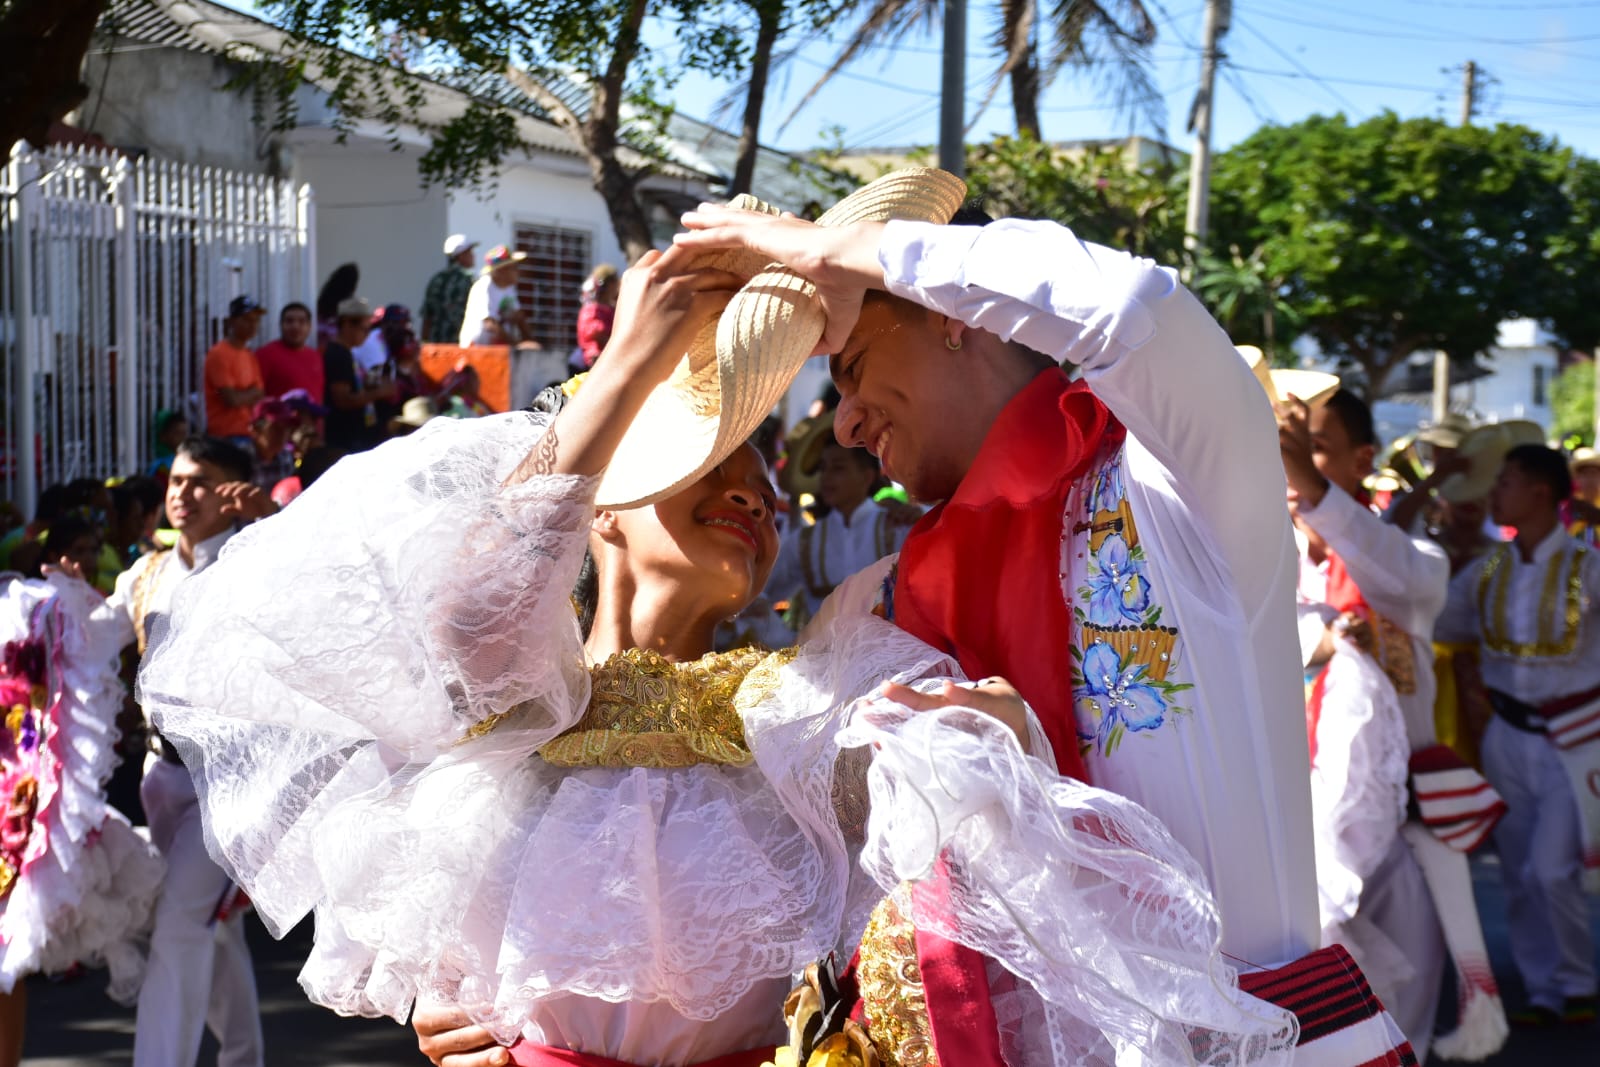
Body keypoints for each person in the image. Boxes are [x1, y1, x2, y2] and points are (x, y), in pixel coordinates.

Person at [140, 238, 1294, 1067]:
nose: (756, 490)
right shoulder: (515, 698)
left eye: (766, 470)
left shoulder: (808, 690)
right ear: (601, 501)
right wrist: (632, 362)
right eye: (712, 462)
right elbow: (475, 616)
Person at [675, 187, 1414, 1064]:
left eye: (853, 363)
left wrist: (832, 250)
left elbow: (1135, 307)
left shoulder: (1176, 494)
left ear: (954, 316)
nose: (843, 420)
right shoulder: (883, 599)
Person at [1280, 388, 1505, 1059]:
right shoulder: (1258, 563)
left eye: (1312, 446)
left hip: (1405, 834)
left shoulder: (1412, 560)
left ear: (1361, 458)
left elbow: (1401, 577)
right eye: (1282, 449)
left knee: (1396, 1023)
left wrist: (1312, 486)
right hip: (1295, 838)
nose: (1287, 464)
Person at [83, 437, 275, 1067]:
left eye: (201, 481)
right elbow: (91, 640)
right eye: (177, 479)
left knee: (178, 925)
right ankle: (243, 1055)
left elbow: (324, 590)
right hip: (160, 775)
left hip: (232, 780)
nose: (182, 493)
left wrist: (272, 523)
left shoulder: (261, 557)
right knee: (209, 929)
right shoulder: (146, 573)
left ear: (233, 491)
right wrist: (47, 604)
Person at [1436, 443, 1600, 1028]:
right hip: (1506, 734)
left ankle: (1577, 978)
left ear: (1539, 493)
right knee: (1516, 867)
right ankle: (1541, 988)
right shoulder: (1486, 568)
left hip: (1575, 738)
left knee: (1551, 869)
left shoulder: (1591, 565)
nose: (1494, 490)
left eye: (1506, 480)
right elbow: (1437, 622)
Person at [0, 564, 165, 1067]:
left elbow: (93, 639)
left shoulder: (22, 609)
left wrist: (74, 599)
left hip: (11, 800)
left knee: (4, 964)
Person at [764, 439, 911, 634]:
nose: (826, 477)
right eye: (823, 468)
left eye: (838, 468)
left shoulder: (897, 526)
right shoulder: (805, 540)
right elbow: (762, 593)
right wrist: (784, 638)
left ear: (867, 476)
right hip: (824, 657)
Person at [323, 298, 398, 453]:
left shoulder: (347, 352)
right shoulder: (338, 354)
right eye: (364, 329)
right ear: (346, 324)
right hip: (344, 438)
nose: (366, 335)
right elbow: (342, 400)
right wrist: (381, 391)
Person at [202, 296, 266, 442]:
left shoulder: (249, 355)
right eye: (246, 319)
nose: (253, 325)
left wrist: (244, 395)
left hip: (249, 432)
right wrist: (250, 393)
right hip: (225, 435)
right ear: (231, 321)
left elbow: (260, 394)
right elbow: (231, 399)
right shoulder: (219, 353)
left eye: (256, 320)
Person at [460, 245, 530, 347]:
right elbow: (490, 325)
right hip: (477, 348)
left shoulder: (509, 288)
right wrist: (516, 346)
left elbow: (519, 317)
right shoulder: (484, 286)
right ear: (501, 270)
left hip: (497, 347)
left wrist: (530, 343)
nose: (518, 272)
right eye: (514, 268)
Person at [254, 302, 323, 404]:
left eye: (301, 322)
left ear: (309, 327)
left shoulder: (316, 356)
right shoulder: (265, 355)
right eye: (289, 321)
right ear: (281, 325)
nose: (295, 326)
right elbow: (256, 397)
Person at [423, 235, 477, 343]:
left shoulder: (436, 279)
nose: (473, 256)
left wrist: (424, 343)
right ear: (460, 256)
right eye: (470, 252)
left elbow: (427, 317)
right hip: (460, 345)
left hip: (436, 346)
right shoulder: (470, 279)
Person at [575, 264, 619, 369]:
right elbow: (594, 333)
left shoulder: (612, 308)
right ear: (608, 284)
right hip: (594, 359)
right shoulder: (592, 309)